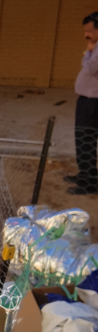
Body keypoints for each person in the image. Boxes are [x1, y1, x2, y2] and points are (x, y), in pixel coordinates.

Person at [65, 12, 98, 195]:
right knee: (83, 139)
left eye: (90, 31)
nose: (87, 35)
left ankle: (89, 184)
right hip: (87, 99)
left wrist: (89, 51)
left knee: (86, 140)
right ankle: (85, 175)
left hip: (93, 101)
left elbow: (91, 68)